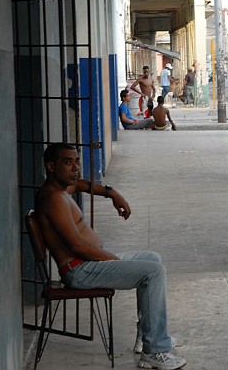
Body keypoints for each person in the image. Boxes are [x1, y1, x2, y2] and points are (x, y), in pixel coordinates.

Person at [34, 143, 186, 369]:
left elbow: (83, 186)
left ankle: (148, 334)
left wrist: (112, 193)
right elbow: (78, 246)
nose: (75, 168)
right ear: (51, 166)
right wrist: (114, 260)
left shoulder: (63, 188)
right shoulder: (53, 198)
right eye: (68, 162)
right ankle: (155, 350)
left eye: (77, 161)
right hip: (80, 270)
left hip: (87, 264)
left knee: (152, 258)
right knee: (153, 272)